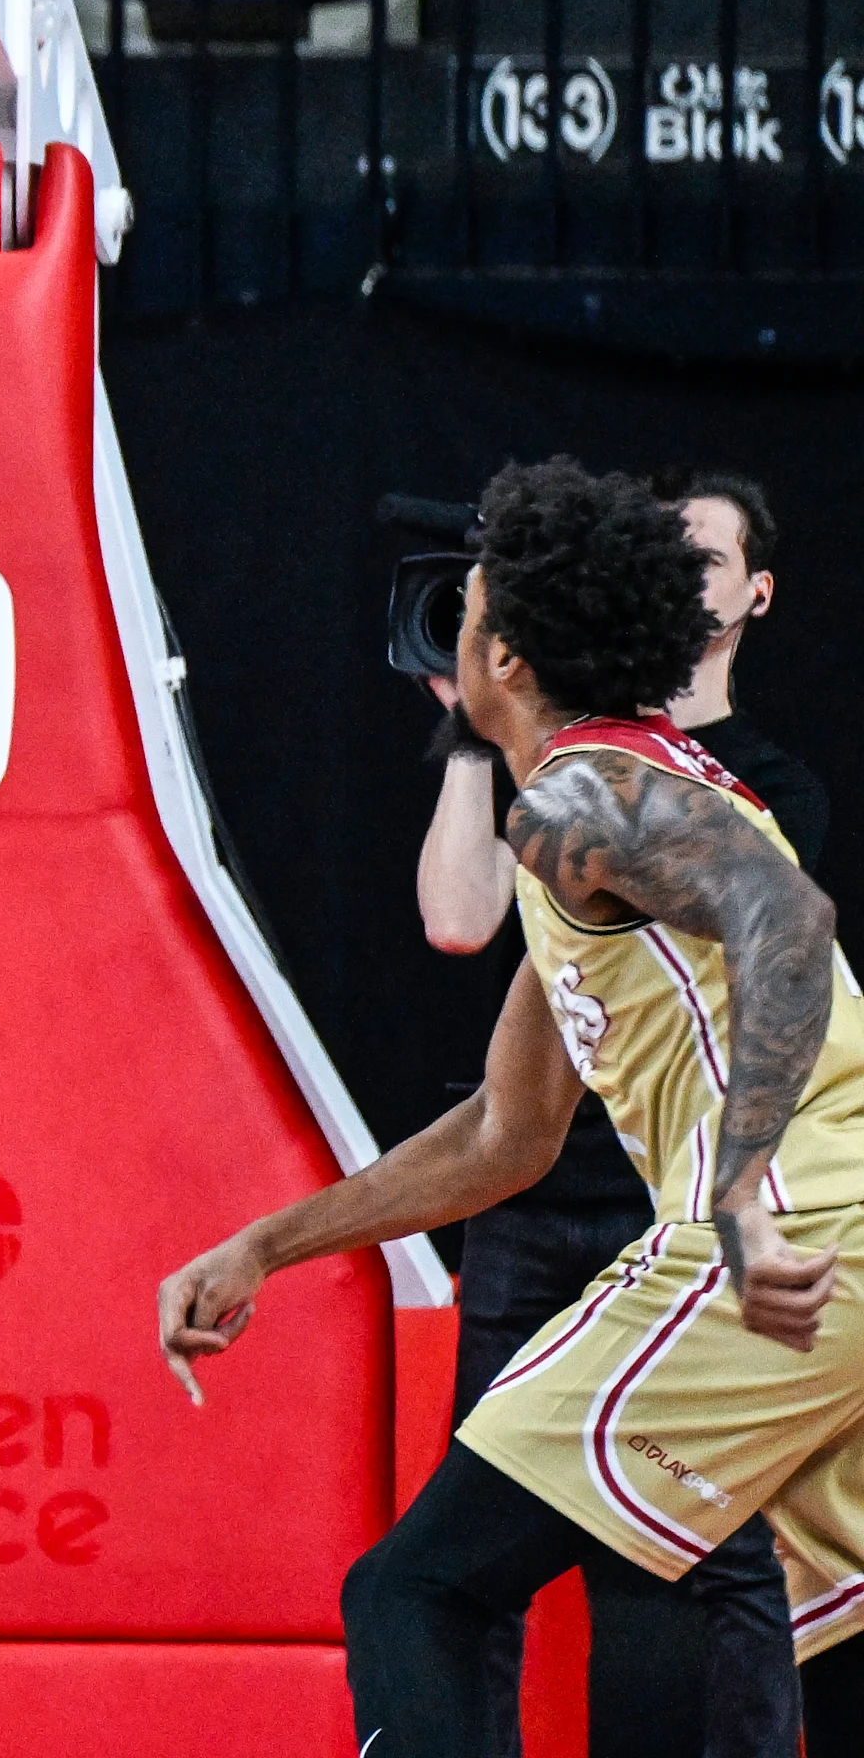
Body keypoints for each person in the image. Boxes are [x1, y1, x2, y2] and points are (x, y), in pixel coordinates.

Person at [159, 458, 864, 1753]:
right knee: (765, 1633)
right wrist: (265, 1245)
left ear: (513, 657)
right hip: (828, 1250)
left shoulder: (582, 793)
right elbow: (505, 1136)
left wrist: (753, 1204)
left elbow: (782, 920)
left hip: (788, 1236)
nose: (457, 633)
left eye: (472, 609)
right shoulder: (585, 813)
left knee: (414, 1587)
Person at [406, 470, 831, 1754]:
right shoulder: (559, 770)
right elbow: (456, 917)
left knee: (706, 1558)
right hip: (537, 1208)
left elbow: (785, 951)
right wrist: (485, 727)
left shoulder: (756, 787)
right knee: (460, 1563)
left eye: (713, 556)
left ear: (755, 594)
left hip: (690, 1228)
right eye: (670, 554)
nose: (689, 574)